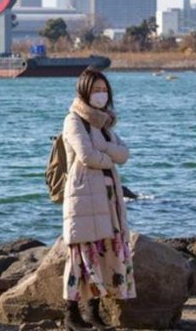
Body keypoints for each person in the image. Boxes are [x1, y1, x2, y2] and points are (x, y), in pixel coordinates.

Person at [61, 69, 136, 331]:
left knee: (103, 251)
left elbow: (124, 154)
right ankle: (71, 314)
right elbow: (86, 156)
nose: (101, 94)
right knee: (81, 254)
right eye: (96, 90)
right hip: (84, 196)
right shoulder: (74, 121)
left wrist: (103, 150)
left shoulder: (103, 124)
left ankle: (93, 313)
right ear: (84, 91)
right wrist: (107, 156)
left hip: (108, 197)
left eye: (104, 90)